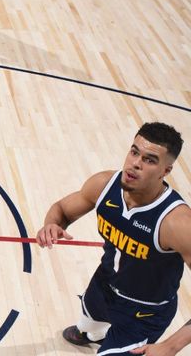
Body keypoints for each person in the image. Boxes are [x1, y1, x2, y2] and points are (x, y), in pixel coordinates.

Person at [36, 122, 191, 355]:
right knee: (87, 325)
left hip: (144, 313)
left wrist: (171, 346)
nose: (135, 163)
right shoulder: (103, 184)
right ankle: (92, 335)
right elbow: (62, 209)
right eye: (134, 151)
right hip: (104, 284)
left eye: (149, 160)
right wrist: (51, 224)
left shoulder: (176, 223)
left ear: (166, 171)